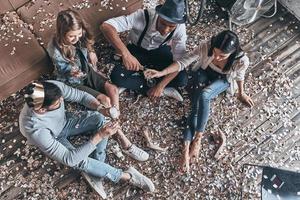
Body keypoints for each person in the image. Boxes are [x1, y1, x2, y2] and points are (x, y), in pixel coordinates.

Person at [19, 81, 154, 198]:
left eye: (61, 98)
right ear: (42, 110)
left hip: (65, 121)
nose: (62, 100)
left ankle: (97, 167)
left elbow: (80, 95)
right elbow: (69, 159)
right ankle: (127, 176)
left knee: (100, 119)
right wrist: (100, 136)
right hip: (54, 136)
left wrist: (101, 108)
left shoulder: (50, 88)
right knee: (79, 161)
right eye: (57, 103)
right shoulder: (35, 130)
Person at [144, 30, 254, 173]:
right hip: (203, 73)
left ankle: (198, 139)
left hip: (222, 80)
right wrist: (160, 73)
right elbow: (184, 62)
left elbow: (239, 76)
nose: (217, 57)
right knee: (194, 108)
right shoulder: (206, 46)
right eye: (215, 53)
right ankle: (185, 151)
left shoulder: (241, 60)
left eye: (223, 56)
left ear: (232, 53)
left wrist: (241, 93)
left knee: (204, 95)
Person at [100, 0, 188, 101]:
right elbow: (106, 26)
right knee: (116, 77)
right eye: (163, 24)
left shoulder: (180, 29)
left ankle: (139, 85)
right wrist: (126, 55)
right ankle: (156, 89)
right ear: (158, 15)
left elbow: (180, 61)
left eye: (171, 27)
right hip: (136, 50)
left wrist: (161, 86)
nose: (165, 30)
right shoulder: (142, 16)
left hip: (159, 51)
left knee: (182, 79)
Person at [47, 9, 119, 110]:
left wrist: (91, 51)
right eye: (71, 36)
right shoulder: (54, 50)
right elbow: (64, 71)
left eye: (79, 34)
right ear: (62, 33)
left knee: (113, 89)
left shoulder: (81, 34)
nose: (76, 39)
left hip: (86, 69)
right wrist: (73, 72)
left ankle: (116, 115)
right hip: (72, 81)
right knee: (104, 99)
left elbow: (87, 43)